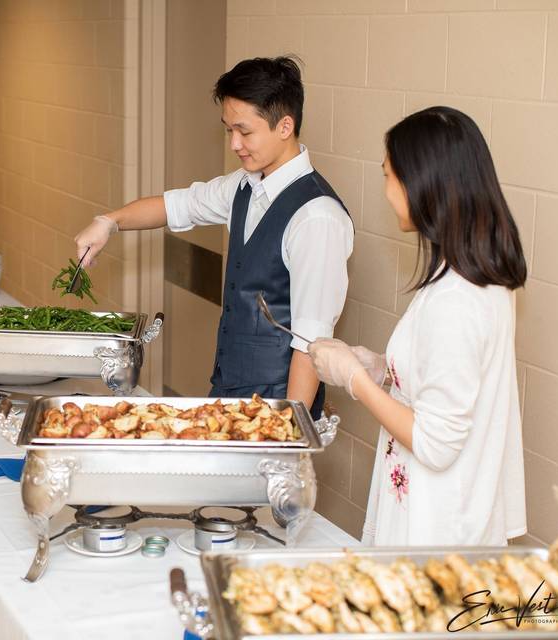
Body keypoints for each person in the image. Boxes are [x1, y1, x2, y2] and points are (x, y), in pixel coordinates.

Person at [74, 56, 353, 419]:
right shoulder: (244, 185)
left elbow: (311, 342)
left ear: (285, 126)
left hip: (278, 406)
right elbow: (176, 206)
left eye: (244, 131)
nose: (234, 144)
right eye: (228, 131)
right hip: (229, 391)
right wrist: (109, 222)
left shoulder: (317, 217)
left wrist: (291, 432)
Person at [308, 107, 527, 547]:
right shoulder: (471, 272)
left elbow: (436, 442)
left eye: (389, 176)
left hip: (438, 525)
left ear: (422, 183)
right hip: (444, 509)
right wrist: (384, 370)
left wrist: (354, 381)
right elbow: (451, 381)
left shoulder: (458, 299)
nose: (387, 191)